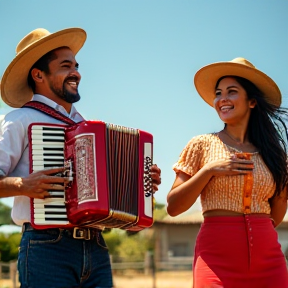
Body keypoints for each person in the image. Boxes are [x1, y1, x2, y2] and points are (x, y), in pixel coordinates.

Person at [0, 27, 161, 288]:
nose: (76, 72)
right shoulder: (20, 119)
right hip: (46, 247)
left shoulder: (85, 128)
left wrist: (140, 187)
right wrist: (22, 185)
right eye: (66, 66)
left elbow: (114, 203)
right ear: (38, 74)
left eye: (76, 65)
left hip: (96, 246)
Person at [166, 57, 288, 288]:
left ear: (252, 101)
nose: (222, 99)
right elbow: (173, 207)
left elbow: (276, 215)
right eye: (218, 93)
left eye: (231, 92)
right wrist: (209, 170)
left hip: (269, 259)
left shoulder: (274, 155)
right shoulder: (201, 144)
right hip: (215, 259)